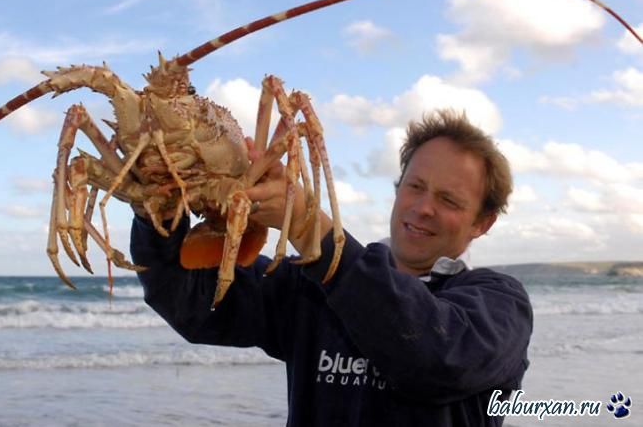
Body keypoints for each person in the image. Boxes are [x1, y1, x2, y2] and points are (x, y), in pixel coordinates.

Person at [130, 109, 533, 426]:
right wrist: (156, 213)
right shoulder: (307, 287)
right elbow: (192, 302)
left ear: (482, 223)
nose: (423, 207)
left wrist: (308, 228)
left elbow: (432, 356)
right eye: (415, 187)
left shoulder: (499, 306)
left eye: (449, 200)